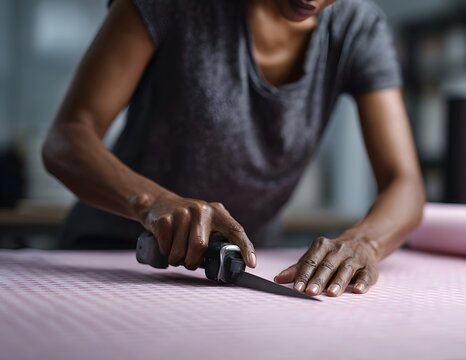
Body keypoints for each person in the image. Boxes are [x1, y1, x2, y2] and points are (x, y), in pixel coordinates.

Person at [42, 0, 424, 297]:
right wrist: (151, 202)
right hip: (112, 256)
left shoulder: (358, 28)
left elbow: (403, 182)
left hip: (237, 272)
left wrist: (364, 243)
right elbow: (67, 138)